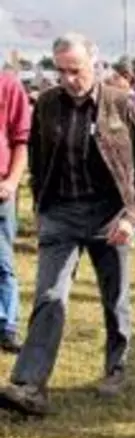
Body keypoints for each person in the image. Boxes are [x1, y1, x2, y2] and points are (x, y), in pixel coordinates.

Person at [0, 33, 135, 417]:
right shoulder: (49, 105)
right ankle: (29, 385)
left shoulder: (122, 103)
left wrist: (132, 217)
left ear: (95, 61)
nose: (70, 78)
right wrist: (41, 208)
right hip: (61, 216)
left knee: (115, 297)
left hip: (110, 214)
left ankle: (115, 368)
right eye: (62, 70)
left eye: (77, 70)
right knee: (50, 297)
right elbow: (37, 157)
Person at [0, 72, 31, 353]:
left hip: (0, 190)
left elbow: (22, 139)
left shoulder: (8, 85)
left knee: (3, 263)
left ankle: (7, 326)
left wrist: (11, 181)